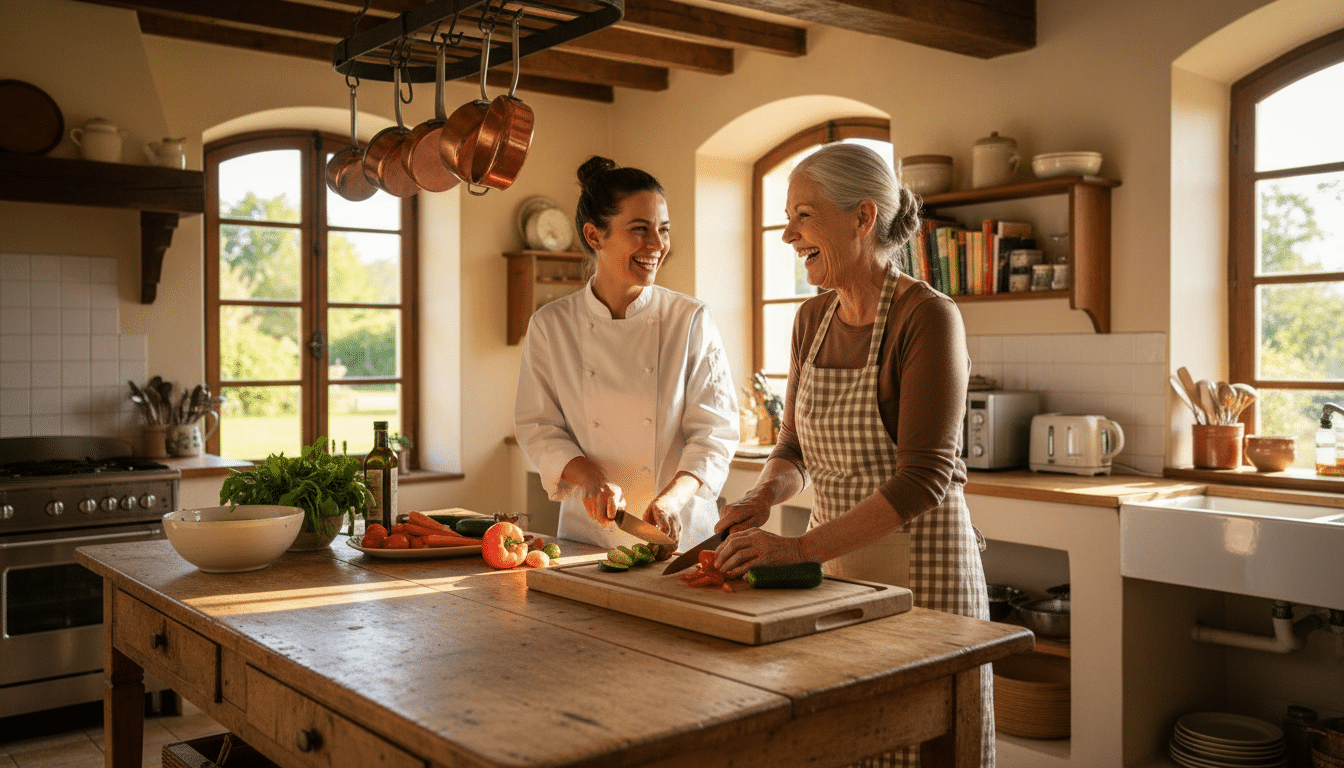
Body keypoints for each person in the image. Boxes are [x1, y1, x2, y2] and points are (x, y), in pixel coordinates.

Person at [714, 143, 992, 768]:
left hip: (924, 579)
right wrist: (761, 497)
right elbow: (793, 448)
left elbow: (923, 479)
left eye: (803, 216)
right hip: (836, 573)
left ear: (863, 217)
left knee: (922, 749)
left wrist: (797, 550)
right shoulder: (810, 319)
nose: (788, 235)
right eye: (787, 218)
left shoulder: (928, 317)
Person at [514, 156, 739, 549]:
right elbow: (538, 427)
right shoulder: (551, 325)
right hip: (589, 536)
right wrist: (591, 479)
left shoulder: (689, 319)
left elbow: (714, 432)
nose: (657, 245)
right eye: (640, 229)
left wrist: (671, 501)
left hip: (680, 535)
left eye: (663, 229)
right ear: (594, 235)